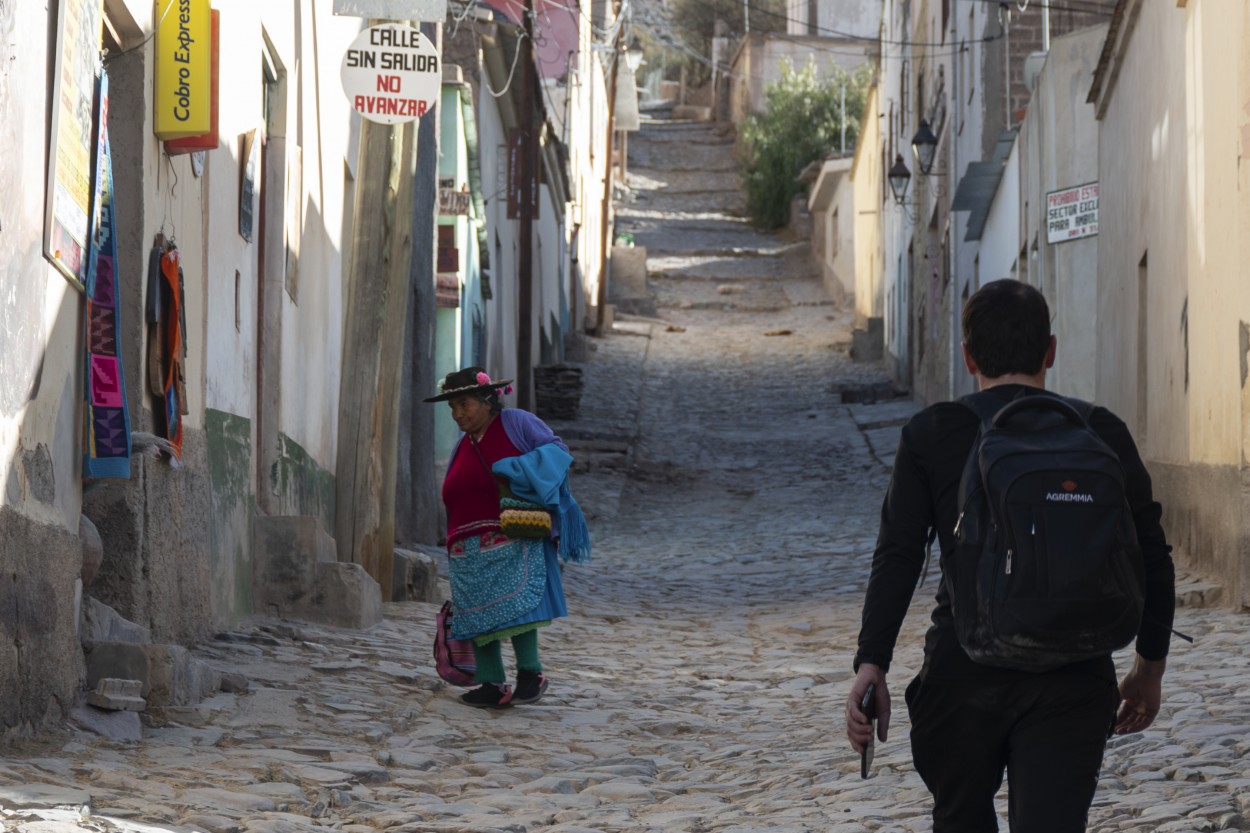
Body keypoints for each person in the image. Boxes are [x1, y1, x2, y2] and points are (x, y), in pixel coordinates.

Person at [845, 280, 1176, 833]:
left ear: (968, 356)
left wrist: (871, 662)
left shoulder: (933, 433)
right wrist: (1148, 669)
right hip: (1074, 679)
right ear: (1050, 350)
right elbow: (1153, 556)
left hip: (962, 676)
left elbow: (899, 554)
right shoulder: (1100, 431)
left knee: (960, 818)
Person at [425, 367, 591, 709]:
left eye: (464, 404)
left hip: (512, 533)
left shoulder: (516, 422)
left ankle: (531, 674)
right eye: (452, 407)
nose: (457, 414)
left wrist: (514, 469)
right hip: (466, 544)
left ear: (488, 400)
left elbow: (556, 454)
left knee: (515, 604)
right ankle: (492, 683)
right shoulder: (465, 444)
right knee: (476, 612)